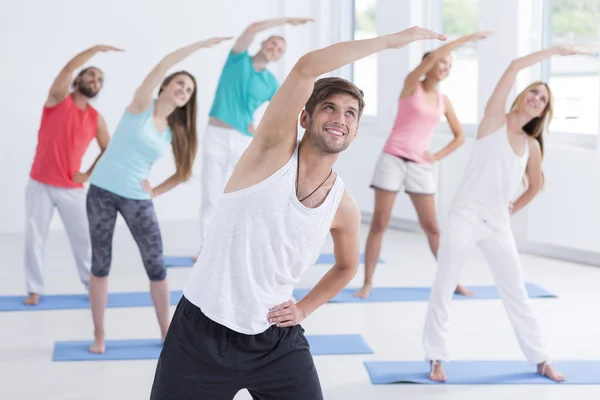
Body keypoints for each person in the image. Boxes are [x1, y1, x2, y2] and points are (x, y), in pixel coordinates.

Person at [150, 26, 446, 400]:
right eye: (329, 108)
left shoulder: (344, 206)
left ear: (355, 132)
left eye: (351, 114)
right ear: (305, 118)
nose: (340, 118)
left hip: (275, 343)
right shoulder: (270, 153)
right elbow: (306, 68)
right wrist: (388, 41)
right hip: (200, 334)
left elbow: (346, 266)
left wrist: (304, 309)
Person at [423, 45, 584, 383]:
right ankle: (436, 357)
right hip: (465, 214)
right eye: (534, 92)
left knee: (516, 292)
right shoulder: (495, 119)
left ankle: (541, 359)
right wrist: (554, 51)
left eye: (543, 99)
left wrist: (512, 208)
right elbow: (512, 66)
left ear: (543, 111)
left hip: (496, 223)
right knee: (445, 284)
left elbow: (534, 185)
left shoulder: (532, 145)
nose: (536, 98)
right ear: (522, 95)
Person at [85, 36, 232, 354]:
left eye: (190, 90)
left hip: (137, 199)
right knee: (100, 265)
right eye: (180, 84)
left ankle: (167, 332)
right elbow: (161, 65)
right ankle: (99, 335)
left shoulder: (174, 130)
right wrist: (196, 47)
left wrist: (155, 191)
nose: (184, 90)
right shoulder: (140, 106)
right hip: (100, 193)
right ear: (165, 86)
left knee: (156, 266)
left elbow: (182, 173)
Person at [354, 31, 492, 299]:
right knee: (380, 223)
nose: (444, 67)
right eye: (441, 62)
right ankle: (367, 283)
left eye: (449, 66)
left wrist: (436, 157)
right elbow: (435, 58)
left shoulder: (444, 101)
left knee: (432, 227)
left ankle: (453, 282)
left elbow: (460, 136)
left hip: (420, 165)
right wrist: (466, 39)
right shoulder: (411, 86)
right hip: (393, 157)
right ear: (428, 63)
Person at [197, 17, 313, 256]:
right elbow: (250, 28)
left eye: (280, 50)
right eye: (272, 44)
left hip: (242, 140)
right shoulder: (237, 59)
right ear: (262, 43)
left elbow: (283, 110)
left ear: (278, 58)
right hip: (216, 135)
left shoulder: (271, 83)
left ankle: (240, 245)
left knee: (243, 193)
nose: (274, 49)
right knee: (212, 194)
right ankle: (207, 250)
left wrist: (260, 131)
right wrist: (288, 21)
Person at [24, 45, 120, 306]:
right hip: (40, 183)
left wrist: (87, 173)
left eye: (99, 79)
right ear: (78, 79)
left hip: (71, 188)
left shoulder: (96, 119)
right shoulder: (57, 100)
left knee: (84, 240)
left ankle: (90, 286)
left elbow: (108, 150)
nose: (95, 81)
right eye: (90, 75)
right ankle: (34, 288)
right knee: (35, 237)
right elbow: (67, 68)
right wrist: (96, 50)